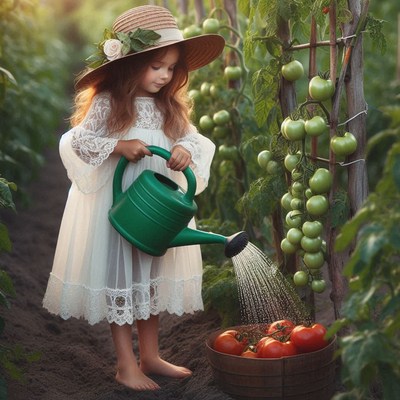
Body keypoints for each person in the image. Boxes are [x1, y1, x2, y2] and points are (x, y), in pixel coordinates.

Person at [43, 5, 225, 392]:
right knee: (122, 277)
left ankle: (152, 355)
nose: (164, 75)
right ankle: (126, 364)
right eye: (156, 65)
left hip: (157, 204)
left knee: (152, 272)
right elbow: (78, 140)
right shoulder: (109, 101)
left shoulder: (168, 106)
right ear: (130, 63)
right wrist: (118, 145)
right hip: (124, 202)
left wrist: (185, 150)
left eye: (172, 68)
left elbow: (193, 138)